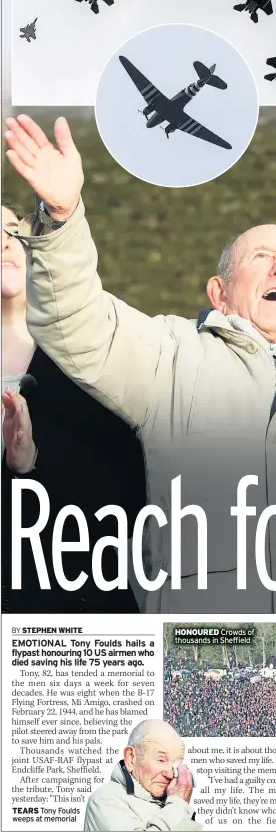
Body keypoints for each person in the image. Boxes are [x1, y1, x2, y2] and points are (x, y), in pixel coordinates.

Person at [4, 114, 276, 614]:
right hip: (193, 648)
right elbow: (75, 321)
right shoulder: (171, 355)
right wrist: (63, 216)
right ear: (218, 294)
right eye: (261, 257)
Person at [1, 198, 146, 613]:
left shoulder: (97, 361)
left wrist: (28, 467)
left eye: (13, 231)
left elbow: (125, 505)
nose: (5, 244)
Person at [84, 719, 201, 832]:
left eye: (176, 764)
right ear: (131, 758)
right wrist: (178, 805)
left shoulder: (169, 803)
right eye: (161, 760)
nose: (170, 774)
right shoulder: (104, 800)